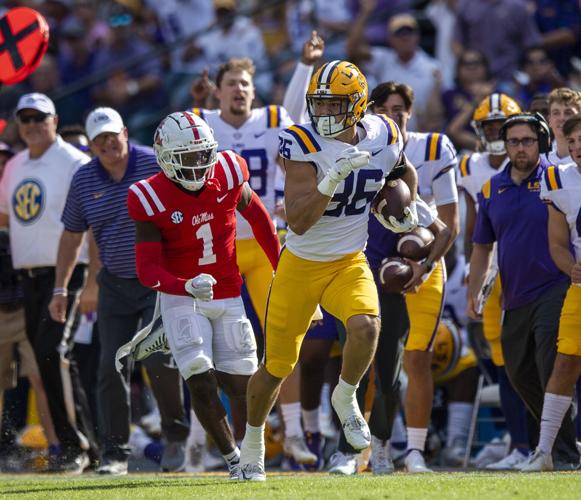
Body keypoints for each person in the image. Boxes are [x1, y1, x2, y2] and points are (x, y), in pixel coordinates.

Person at [238, 60, 419, 481]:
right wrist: (331, 177)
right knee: (277, 367)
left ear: (359, 107)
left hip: (349, 260)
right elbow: (298, 220)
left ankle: (345, 394)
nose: (323, 114)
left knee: (367, 327)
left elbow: (400, 170)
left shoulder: (385, 132)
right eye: (318, 104)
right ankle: (251, 444)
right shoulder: (302, 141)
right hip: (300, 264)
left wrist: (404, 205)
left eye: (335, 104)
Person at [124, 111, 280, 480]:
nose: (199, 164)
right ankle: (232, 459)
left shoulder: (227, 171)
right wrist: (184, 285)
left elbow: (261, 221)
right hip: (182, 297)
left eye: (202, 154)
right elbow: (147, 270)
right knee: (199, 373)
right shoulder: (148, 196)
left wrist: (281, 269)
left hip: (228, 293)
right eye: (188, 157)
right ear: (165, 158)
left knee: (242, 385)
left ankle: (251, 454)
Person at [48, 107, 189, 475]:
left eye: (113, 135)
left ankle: (175, 435)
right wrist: (61, 288)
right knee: (111, 366)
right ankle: (114, 454)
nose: (108, 143)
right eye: (100, 140)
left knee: (158, 360)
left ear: (126, 133)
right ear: (92, 146)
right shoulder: (83, 179)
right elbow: (71, 235)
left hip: (159, 279)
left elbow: (186, 206)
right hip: (115, 282)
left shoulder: (155, 163)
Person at [468, 112, 580, 469]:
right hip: (514, 293)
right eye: (513, 141)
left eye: (527, 140)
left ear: (542, 142)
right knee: (517, 372)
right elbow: (482, 245)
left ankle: (559, 455)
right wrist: (475, 289)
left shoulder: (556, 176)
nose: (519, 148)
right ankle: (554, 445)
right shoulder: (490, 188)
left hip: (556, 286)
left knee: (551, 366)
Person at [0, 93, 97, 473]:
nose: (32, 125)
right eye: (25, 118)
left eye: (39, 117)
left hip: (66, 274)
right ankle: (86, 446)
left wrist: (94, 281)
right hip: (28, 278)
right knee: (56, 358)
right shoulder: (16, 165)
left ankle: (74, 446)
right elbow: (7, 218)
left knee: (51, 353)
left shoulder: (74, 162)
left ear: (55, 120)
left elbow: (93, 221)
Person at [368, 81, 459, 472]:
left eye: (399, 109)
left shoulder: (434, 148)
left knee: (417, 357)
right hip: (374, 263)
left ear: (410, 110)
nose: (394, 115)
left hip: (423, 262)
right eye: (386, 109)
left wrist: (423, 266)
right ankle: (375, 448)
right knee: (376, 361)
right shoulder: (363, 147)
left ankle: (416, 451)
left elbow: (448, 224)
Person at [458, 93, 533, 470]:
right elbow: (474, 228)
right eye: (489, 128)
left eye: (500, 128)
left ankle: (543, 442)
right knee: (503, 360)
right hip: (490, 269)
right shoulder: (470, 167)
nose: (495, 135)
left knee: (541, 358)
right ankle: (519, 445)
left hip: (528, 269)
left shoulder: (539, 166)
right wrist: (473, 270)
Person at [521, 115, 581, 471]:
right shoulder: (558, 179)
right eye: (570, 142)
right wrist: (569, 267)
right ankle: (544, 451)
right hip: (580, 287)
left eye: (580, 139)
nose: (575, 148)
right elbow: (557, 244)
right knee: (564, 363)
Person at [545, 87, 581, 165]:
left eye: (568, 113)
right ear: (549, 120)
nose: (562, 118)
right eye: (556, 113)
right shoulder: (540, 162)